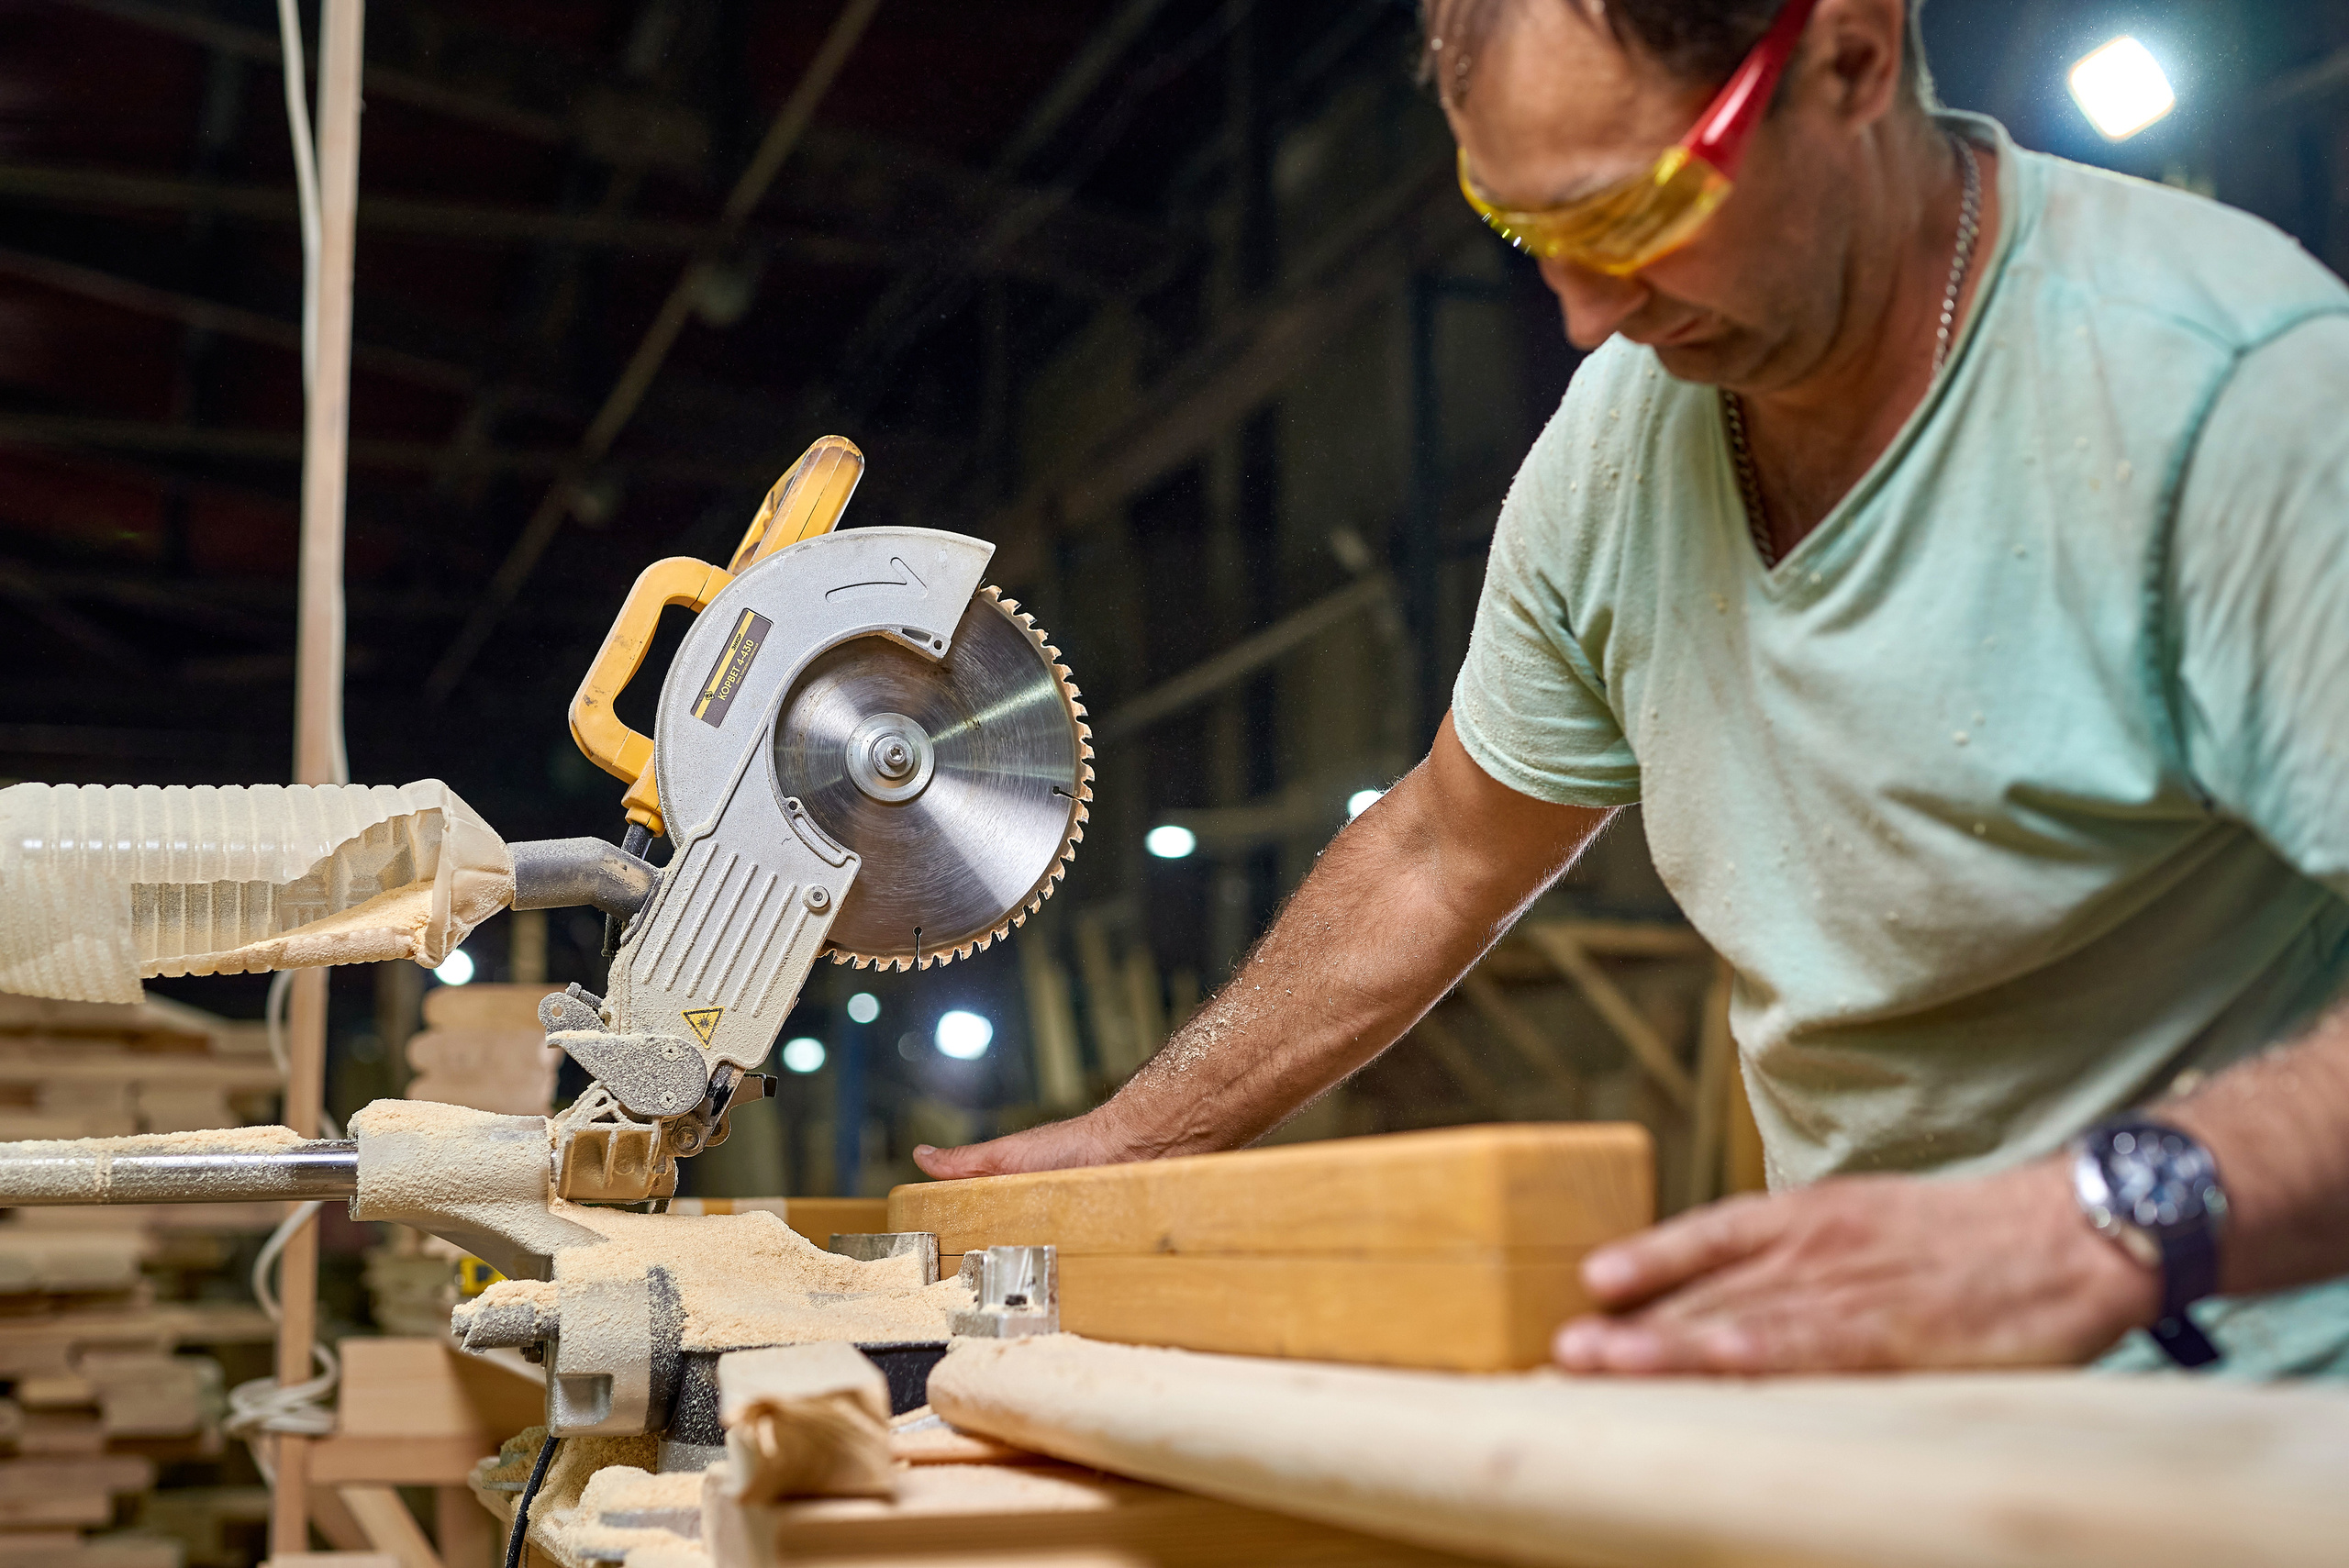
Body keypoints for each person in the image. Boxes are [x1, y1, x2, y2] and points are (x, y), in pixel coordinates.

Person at [916, 0, 2349, 1375]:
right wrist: (1135, 1139)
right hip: (1876, 1395)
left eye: (1632, 216)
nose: (1587, 314)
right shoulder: (1620, 448)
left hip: (2256, 1425)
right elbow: (1441, 846)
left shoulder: (2228, 402)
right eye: (1522, 228)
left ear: (1852, 55)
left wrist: (2083, 1224)